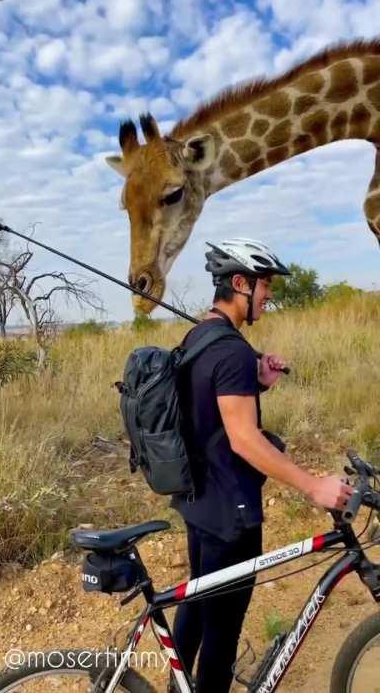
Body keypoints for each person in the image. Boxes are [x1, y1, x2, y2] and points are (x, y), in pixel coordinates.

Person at [169, 238, 353, 693]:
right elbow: (244, 439)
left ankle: (177, 686)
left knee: (197, 599)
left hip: (199, 502)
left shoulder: (199, 336)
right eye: (265, 284)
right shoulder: (230, 350)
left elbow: (212, 413)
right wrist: (313, 486)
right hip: (230, 511)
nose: (269, 294)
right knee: (223, 631)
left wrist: (261, 384)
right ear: (239, 283)